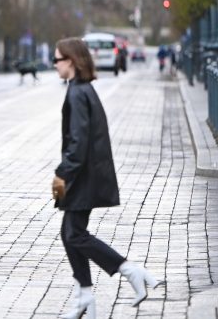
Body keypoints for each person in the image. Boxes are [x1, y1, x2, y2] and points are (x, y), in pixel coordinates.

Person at [51, 38, 161, 317]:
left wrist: (62, 175)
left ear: (72, 61)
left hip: (82, 176)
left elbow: (78, 141)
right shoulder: (82, 89)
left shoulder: (77, 93)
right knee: (70, 234)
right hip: (87, 173)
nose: (54, 65)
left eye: (57, 60)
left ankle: (129, 270)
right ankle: (85, 296)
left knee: (74, 234)